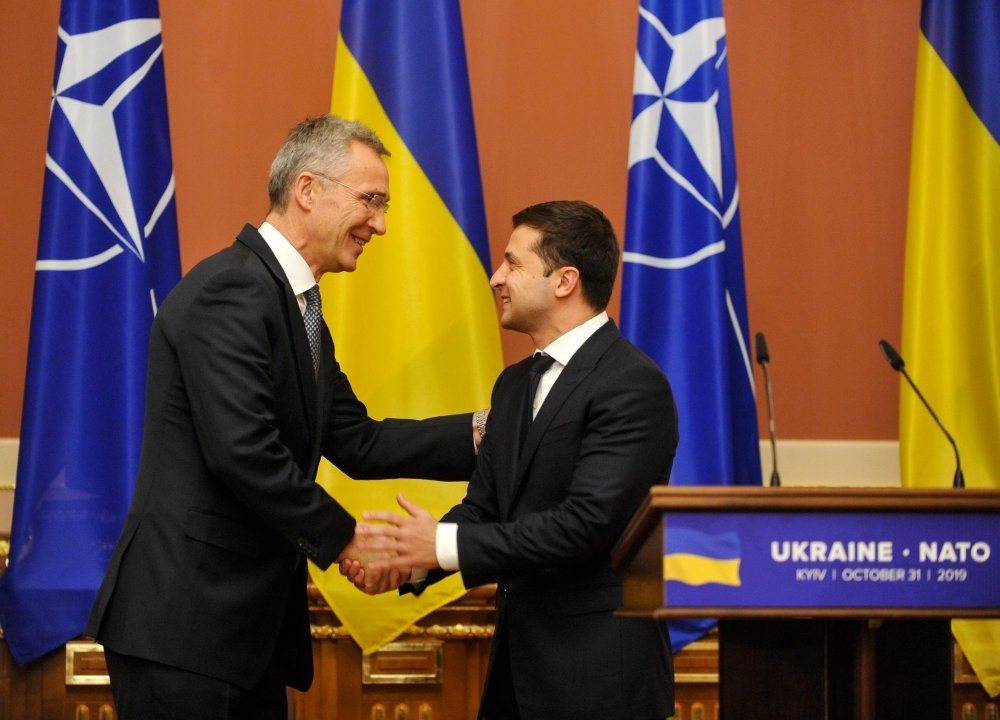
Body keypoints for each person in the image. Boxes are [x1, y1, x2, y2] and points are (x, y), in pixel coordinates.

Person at [85, 114, 480, 720]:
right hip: (186, 627)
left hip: (241, 637)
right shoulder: (233, 290)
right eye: (370, 200)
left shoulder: (295, 305)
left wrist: (484, 435)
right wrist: (347, 536)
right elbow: (243, 452)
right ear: (306, 189)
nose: (380, 223)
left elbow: (357, 440)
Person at [346, 200, 679, 720]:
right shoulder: (515, 383)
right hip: (514, 680)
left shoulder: (631, 385)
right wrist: (411, 564)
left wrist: (438, 543)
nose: (496, 276)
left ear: (564, 280)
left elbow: (585, 525)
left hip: (599, 683)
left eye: (513, 263)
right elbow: (485, 507)